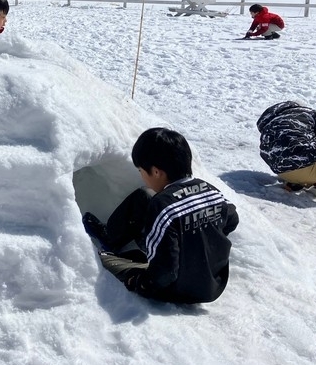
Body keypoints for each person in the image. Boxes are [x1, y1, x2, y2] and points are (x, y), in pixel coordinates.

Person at [81, 128, 239, 304]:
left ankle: (111, 250)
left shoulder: (163, 205)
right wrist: (200, 238)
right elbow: (232, 219)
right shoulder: (209, 190)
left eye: (141, 170)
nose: (141, 176)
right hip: (214, 281)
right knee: (143, 196)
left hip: (180, 288)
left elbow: (166, 272)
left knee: (106, 261)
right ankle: (111, 235)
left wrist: (140, 283)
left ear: (156, 172)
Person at [257, 101, 316, 191]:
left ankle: (298, 182)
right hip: (308, 166)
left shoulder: (270, 124)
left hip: (283, 172)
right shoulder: (307, 112)